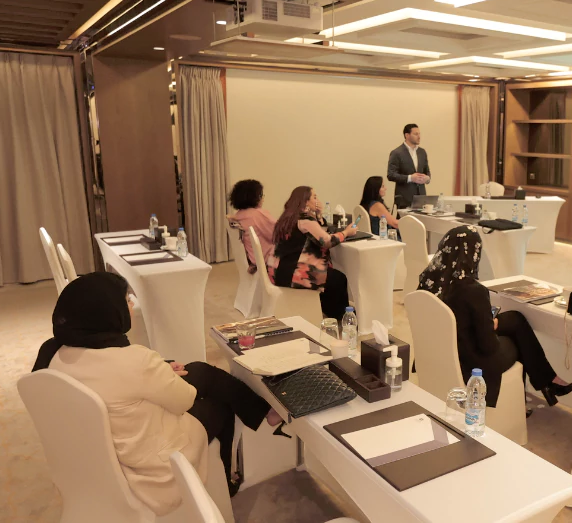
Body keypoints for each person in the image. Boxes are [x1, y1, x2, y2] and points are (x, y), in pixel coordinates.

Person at [32, 272, 283, 514]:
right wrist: (160, 373)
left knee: (201, 371)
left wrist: (160, 370)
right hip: (149, 461)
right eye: (127, 300)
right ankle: (226, 481)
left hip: (101, 446)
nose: (131, 306)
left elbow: (116, 381)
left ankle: (263, 413)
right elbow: (184, 400)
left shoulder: (52, 353)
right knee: (220, 407)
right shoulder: (133, 360)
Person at [418, 225, 572, 409]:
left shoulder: (428, 282)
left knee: (516, 320)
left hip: (444, 348)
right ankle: (528, 397)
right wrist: (488, 326)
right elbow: (488, 346)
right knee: (517, 340)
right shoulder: (473, 291)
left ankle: (548, 382)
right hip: (472, 360)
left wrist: (487, 323)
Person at [271, 186, 356, 320]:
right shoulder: (305, 220)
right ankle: (339, 315)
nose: (317, 200)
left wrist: (319, 215)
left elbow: (318, 234)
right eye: (314, 197)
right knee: (338, 278)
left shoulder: (288, 216)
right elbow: (326, 241)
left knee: (330, 275)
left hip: (279, 270)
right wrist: (346, 233)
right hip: (294, 273)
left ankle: (329, 309)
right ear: (305, 201)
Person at [227, 179, 276, 274]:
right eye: (261, 195)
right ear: (254, 197)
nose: (263, 198)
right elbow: (278, 234)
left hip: (253, 259)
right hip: (267, 259)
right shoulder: (258, 215)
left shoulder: (239, 215)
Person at [387, 123, 431, 209]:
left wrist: (427, 178)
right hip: (404, 199)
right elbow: (391, 175)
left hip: (421, 199)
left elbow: (427, 171)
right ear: (407, 135)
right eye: (415, 134)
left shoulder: (422, 152)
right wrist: (410, 178)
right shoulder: (397, 153)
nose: (419, 137)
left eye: (419, 134)